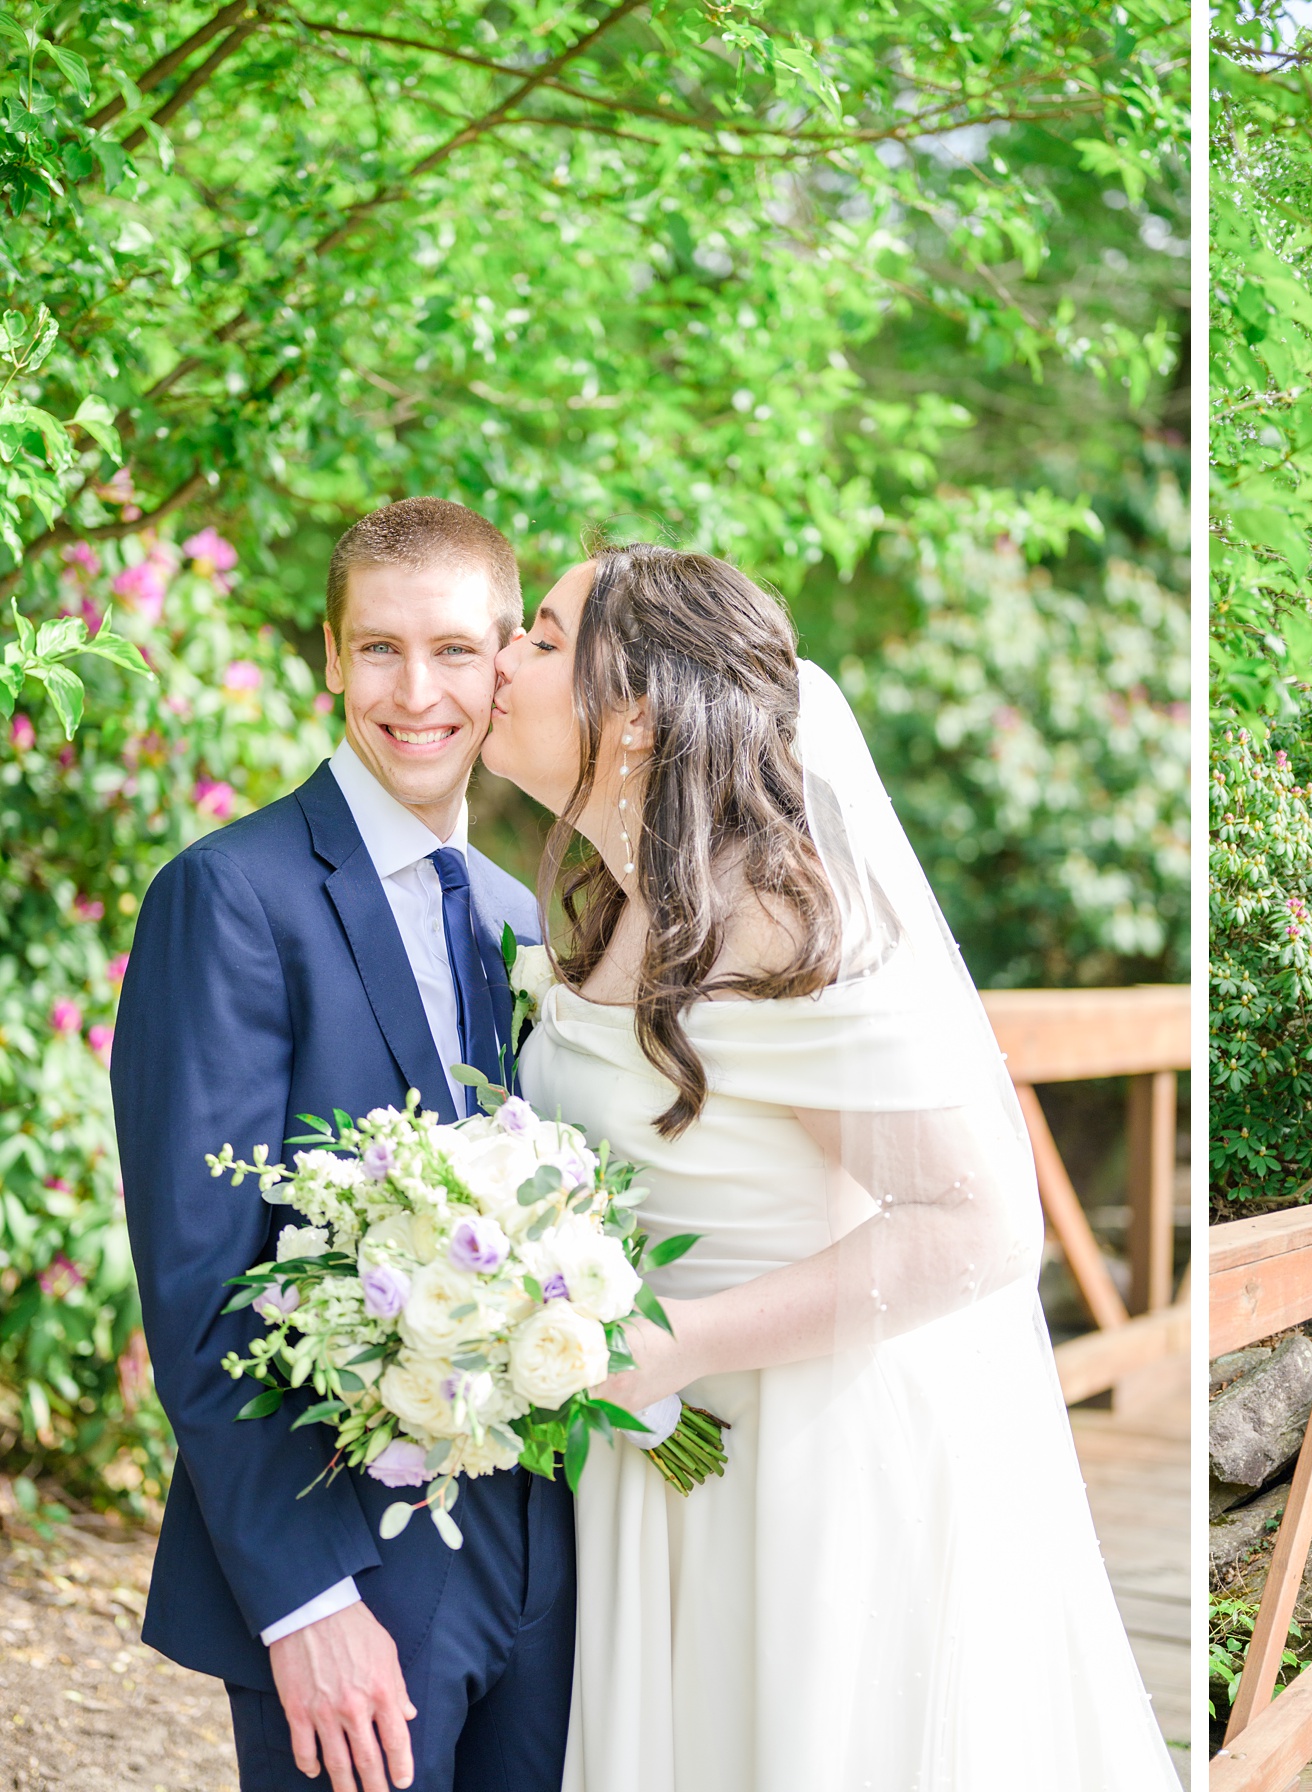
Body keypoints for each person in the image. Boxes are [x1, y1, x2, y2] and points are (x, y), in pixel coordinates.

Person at [480, 542, 1178, 1789]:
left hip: (803, 1466)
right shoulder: (618, 902)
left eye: (539, 635)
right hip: (672, 1458)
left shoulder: (772, 914)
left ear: (633, 708)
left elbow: (976, 1224)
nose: (502, 660)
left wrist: (674, 1341)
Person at [113, 499, 574, 1792]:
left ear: (505, 666)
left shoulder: (520, 915)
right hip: (349, 1563)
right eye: (377, 649)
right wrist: (304, 1603)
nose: (414, 692)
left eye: (453, 653)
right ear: (328, 655)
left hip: (545, 1555)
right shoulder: (229, 897)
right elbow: (199, 1282)